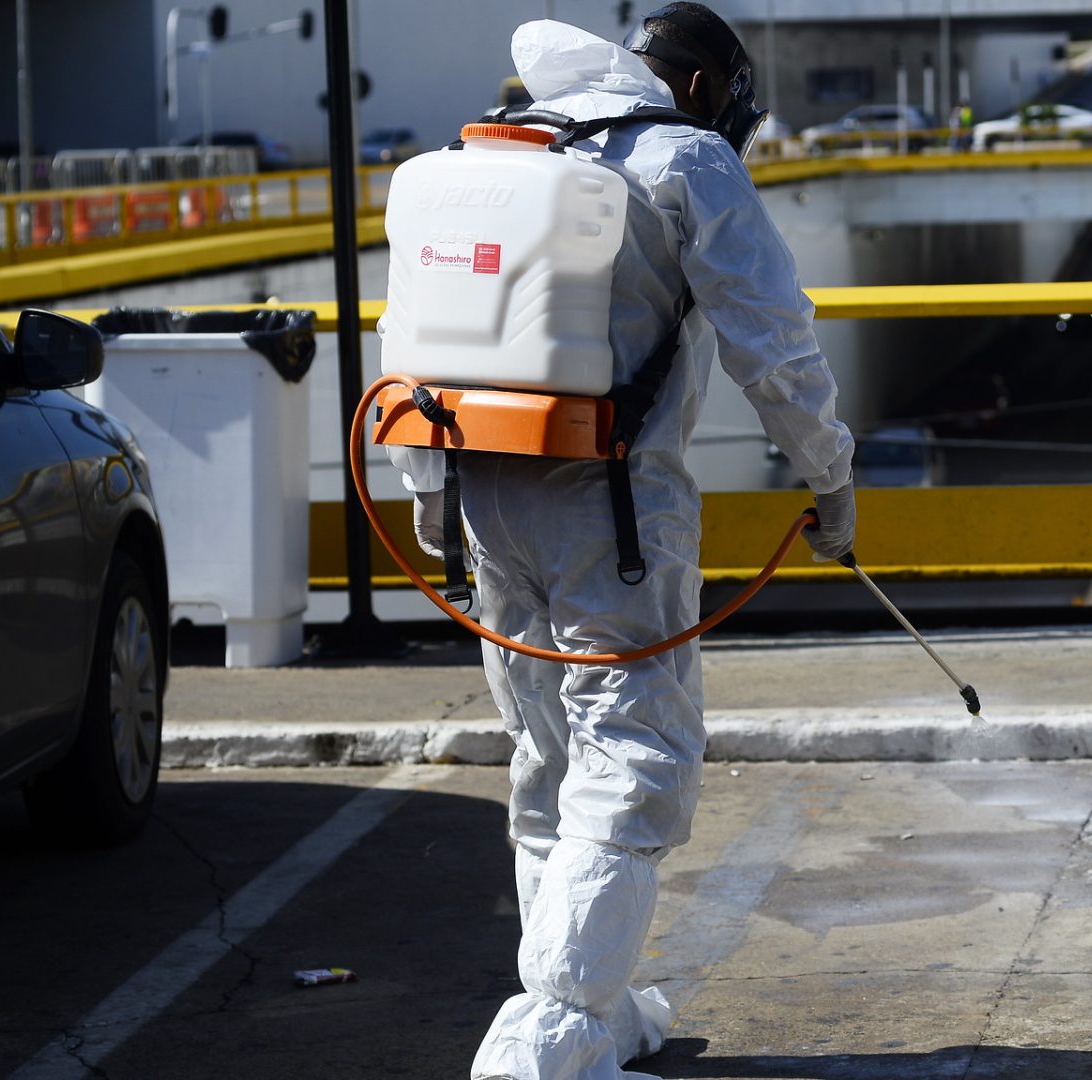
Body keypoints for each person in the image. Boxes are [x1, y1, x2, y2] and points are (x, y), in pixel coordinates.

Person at [390, 7, 856, 1079]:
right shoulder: (684, 156)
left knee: (552, 754)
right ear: (704, 89)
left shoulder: (496, 146)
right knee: (637, 757)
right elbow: (774, 341)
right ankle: (548, 1035)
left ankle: (593, 1014)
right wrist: (829, 477)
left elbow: (412, 328)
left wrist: (424, 488)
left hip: (478, 490)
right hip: (610, 506)